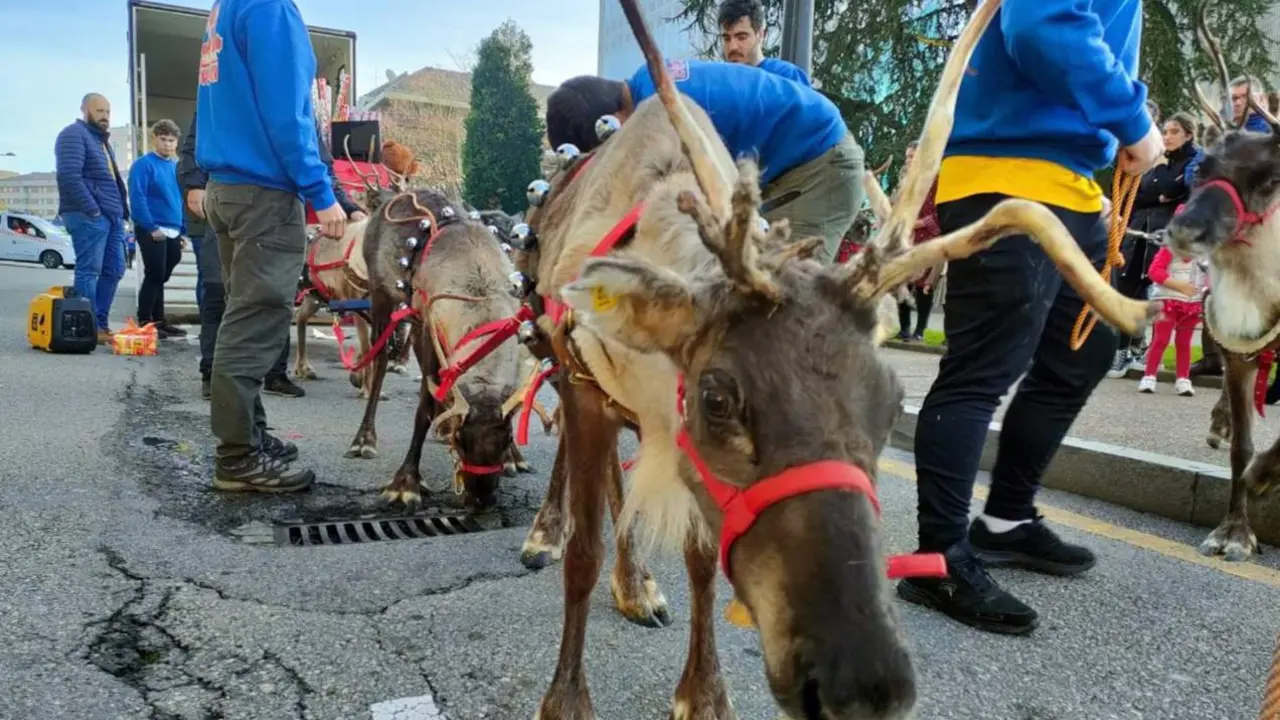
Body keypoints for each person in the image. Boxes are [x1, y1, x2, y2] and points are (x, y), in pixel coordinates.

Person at [895, 0, 1164, 635]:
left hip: (1068, 180)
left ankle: (1006, 521)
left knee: (1086, 353)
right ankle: (936, 561)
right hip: (1007, 173)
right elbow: (1041, 22)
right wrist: (1132, 119)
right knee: (980, 370)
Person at [196, 0, 348, 493]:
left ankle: (251, 437)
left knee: (242, 321)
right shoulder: (270, 7)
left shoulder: (227, 6)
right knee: (254, 322)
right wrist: (321, 194)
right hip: (263, 193)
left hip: (228, 185)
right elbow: (288, 114)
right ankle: (238, 458)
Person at [547, 61, 863, 260]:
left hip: (822, 167)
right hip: (794, 163)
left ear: (612, 121)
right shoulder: (652, 83)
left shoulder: (664, 113)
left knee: (788, 297)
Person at [180, 108, 364, 400]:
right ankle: (215, 377)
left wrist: (348, 207)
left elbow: (320, 161)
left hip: (275, 206)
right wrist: (194, 183)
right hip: (234, 201)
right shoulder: (232, 82)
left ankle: (271, 377)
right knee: (222, 294)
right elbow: (198, 139)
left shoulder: (298, 105)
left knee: (276, 297)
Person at [1108, 112, 1200, 379]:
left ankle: (1141, 348)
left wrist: (1166, 185)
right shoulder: (1156, 160)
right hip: (1138, 231)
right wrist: (1162, 194)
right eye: (1166, 131)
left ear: (1188, 135)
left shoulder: (1193, 162)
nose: (1167, 136)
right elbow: (1141, 193)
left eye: (1174, 132)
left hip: (1165, 235)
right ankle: (1122, 350)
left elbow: (1178, 190)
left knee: (1159, 292)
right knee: (1128, 286)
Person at [54, 93, 130, 344]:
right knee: (89, 270)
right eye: (99, 111)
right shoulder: (73, 135)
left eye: (107, 112)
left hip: (113, 216)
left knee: (115, 269)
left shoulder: (100, 141)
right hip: (88, 215)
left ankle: (99, 324)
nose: (105, 117)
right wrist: (93, 210)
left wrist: (121, 212)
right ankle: (88, 327)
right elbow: (69, 176)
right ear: (84, 109)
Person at [128, 119, 189, 339]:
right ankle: (146, 320)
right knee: (155, 273)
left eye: (171, 140)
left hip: (173, 229)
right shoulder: (144, 165)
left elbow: (180, 199)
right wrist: (150, 226)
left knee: (161, 275)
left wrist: (182, 230)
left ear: (176, 142)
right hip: (152, 227)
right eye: (163, 139)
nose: (167, 144)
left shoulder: (176, 166)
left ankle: (159, 320)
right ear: (155, 139)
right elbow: (138, 198)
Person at [1137, 244, 1206, 396]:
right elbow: (1154, 271)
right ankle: (1149, 375)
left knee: (1183, 343)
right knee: (1161, 339)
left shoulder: (1206, 253)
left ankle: (1183, 379)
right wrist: (1179, 286)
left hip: (1192, 303)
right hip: (1167, 300)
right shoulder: (1169, 249)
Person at [893, 141, 942, 342]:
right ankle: (903, 328)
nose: (909, 160)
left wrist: (919, 223)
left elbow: (940, 210)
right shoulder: (905, 178)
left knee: (924, 286)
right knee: (901, 282)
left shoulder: (937, 178)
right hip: (905, 236)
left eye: (913, 156)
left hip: (927, 237)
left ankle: (919, 330)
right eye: (907, 156)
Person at [716, 0, 810, 85]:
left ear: (761, 35)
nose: (732, 47)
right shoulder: (717, 82)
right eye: (726, 39)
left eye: (741, 37)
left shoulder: (786, 76)